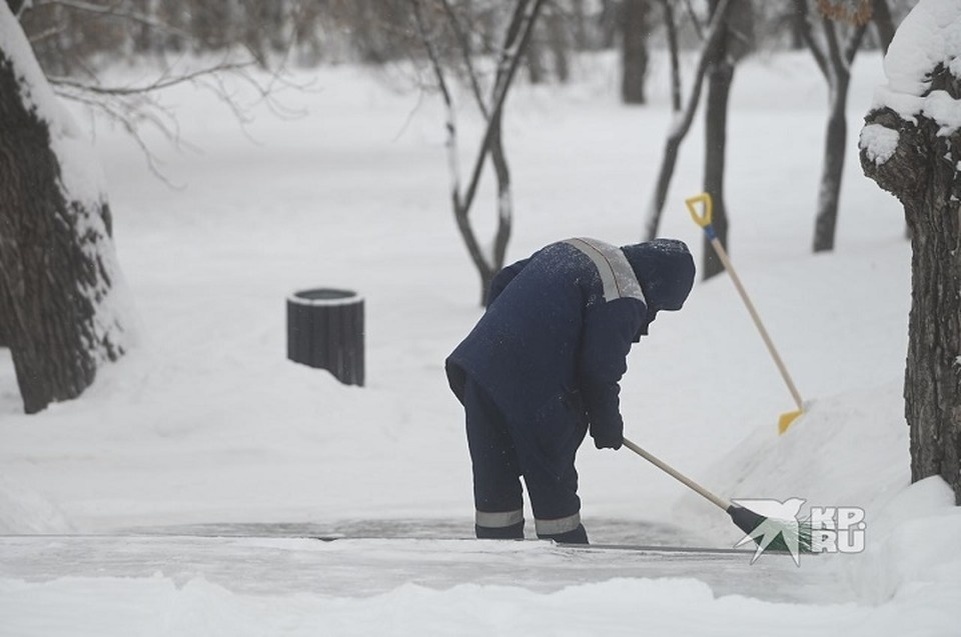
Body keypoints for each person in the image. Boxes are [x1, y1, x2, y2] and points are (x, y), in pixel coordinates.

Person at [445, 237, 696, 544]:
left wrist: (509, 339)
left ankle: (496, 561)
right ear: (656, 286)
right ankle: (566, 562)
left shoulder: (578, 248)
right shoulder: (624, 290)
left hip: (480, 369)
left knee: (495, 482)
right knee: (553, 491)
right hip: (535, 388)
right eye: (658, 308)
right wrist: (606, 423)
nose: (650, 319)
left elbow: (504, 279)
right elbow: (599, 369)